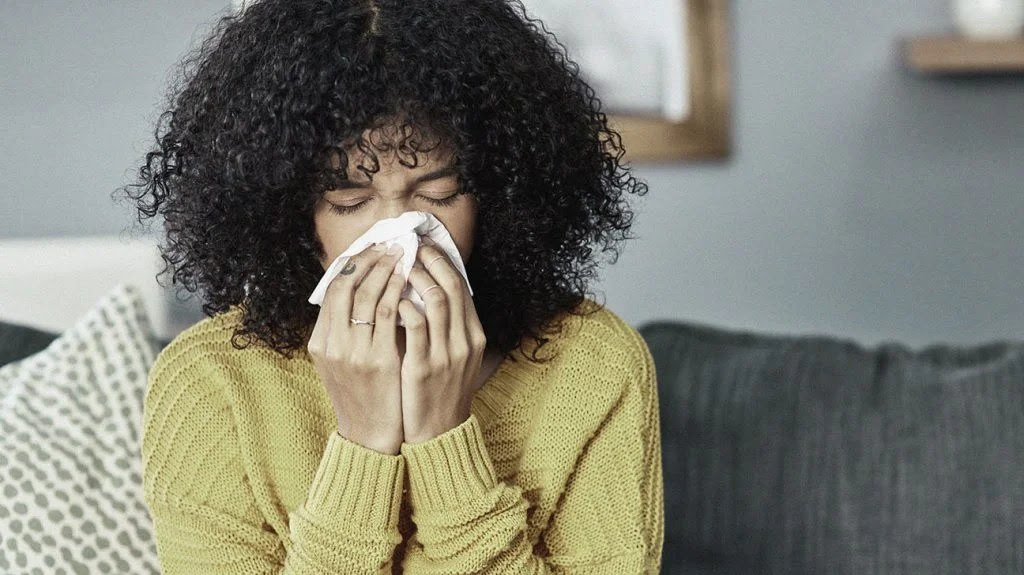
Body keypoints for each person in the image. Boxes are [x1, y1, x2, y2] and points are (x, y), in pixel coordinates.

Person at [120, 0, 663, 572]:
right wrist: (361, 442)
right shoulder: (211, 381)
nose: (398, 234)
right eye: (349, 201)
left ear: (498, 194)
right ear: (288, 211)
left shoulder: (596, 364)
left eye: (439, 194)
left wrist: (444, 437)